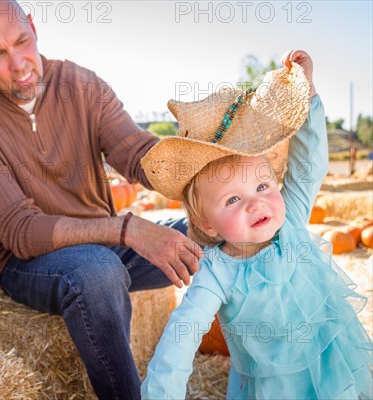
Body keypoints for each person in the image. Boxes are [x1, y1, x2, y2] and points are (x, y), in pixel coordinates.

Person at [0, 1, 203, 398]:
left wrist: (208, 166)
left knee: (219, 232)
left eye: (21, 42)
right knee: (96, 270)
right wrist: (127, 229)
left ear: (32, 26)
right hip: (33, 263)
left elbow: (135, 152)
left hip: (108, 246)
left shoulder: (80, 84)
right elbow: (20, 231)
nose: (19, 64)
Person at [140, 50, 373, 399]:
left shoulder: (289, 221)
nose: (256, 203)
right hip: (275, 389)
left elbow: (309, 165)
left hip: (333, 370)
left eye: (263, 186)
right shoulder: (217, 272)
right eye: (232, 199)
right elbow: (183, 332)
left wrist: (306, 93)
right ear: (208, 222)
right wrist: (161, 392)